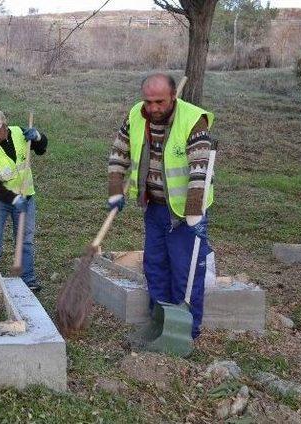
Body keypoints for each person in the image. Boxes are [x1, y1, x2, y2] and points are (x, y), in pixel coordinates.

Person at [107, 74, 216, 339]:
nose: (153, 108)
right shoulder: (136, 115)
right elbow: (119, 153)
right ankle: (160, 321)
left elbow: (200, 170)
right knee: (155, 265)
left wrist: (193, 210)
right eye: (149, 101)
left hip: (184, 213)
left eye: (160, 102)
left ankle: (186, 329)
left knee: (184, 270)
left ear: (172, 97)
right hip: (154, 207)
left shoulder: (193, 121)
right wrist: (114, 190)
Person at [0, 111, 48, 292]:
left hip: (27, 196)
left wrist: (38, 137)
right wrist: (14, 198)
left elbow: (41, 149)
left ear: (5, 126)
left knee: (25, 239)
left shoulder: (20, 134)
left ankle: (28, 280)